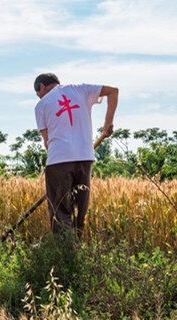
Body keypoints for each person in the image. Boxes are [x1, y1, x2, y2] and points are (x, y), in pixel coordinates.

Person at [33, 73, 118, 240]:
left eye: (38, 93)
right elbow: (113, 91)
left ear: (42, 86)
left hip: (58, 161)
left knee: (60, 210)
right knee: (81, 208)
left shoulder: (41, 105)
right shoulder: (80, 90)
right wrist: (107, 124)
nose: (39, 96)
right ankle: (77, 246)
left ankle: (65, 251)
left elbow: (47, 141)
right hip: (85, 158)